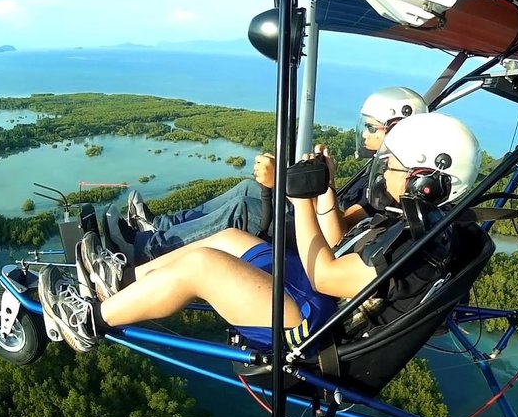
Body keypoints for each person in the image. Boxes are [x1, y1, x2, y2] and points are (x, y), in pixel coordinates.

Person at [37, 112, 481, 354]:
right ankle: (123, 281)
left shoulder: (417, 249)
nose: (384, 173)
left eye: (395, 167)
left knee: (203, 265)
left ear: (427, 182)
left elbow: (326, 274)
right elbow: (336, 244)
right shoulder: (422, 225)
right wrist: (324, 188)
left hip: (312, 326)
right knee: (228, 239)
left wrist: (300, 199)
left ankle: (88, 322)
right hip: (312, 294)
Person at [115, 86, 429, 262]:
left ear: (396, 129)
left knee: (245, 210)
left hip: (320, 246)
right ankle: (158, 226)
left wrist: (307, 184)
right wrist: (314, 180)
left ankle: (146, 250)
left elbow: (338, 235)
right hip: (317, 223)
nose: (365, 134)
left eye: (372, 127)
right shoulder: (382, 168)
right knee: (248, 188)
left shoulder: (393, 188)